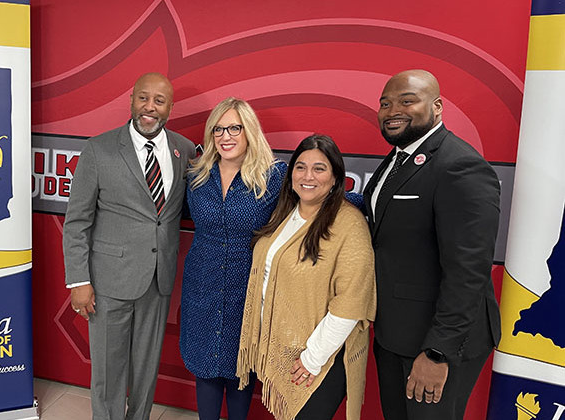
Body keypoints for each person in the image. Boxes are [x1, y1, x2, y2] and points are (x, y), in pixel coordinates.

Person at [363, 69, 501, 420]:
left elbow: (468, 270)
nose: (393, 109)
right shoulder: (398, 159)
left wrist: (438, 352)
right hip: (395, 332)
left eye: (407, 101)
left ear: (437, 107)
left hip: (437, 342)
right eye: (385, 103)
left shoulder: (460, 165)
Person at [62, 72, 196, 420]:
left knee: (145, 368)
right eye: (143, 98)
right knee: (108, 371)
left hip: (158, 280)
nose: (150, 107)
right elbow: (77, 222)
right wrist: (79, 281)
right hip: (108, 282)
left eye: (159, 101)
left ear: (170, 107)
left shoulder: (183, 149)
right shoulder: (99, 149)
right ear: (132, 100)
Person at [236, 135, 376, 420]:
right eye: (300, 167)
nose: (307, 176)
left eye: (319, 168)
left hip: (319, 359)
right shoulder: (285, 213)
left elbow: (350, 303)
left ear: (337, 178)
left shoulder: (349, 224)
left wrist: (312, 359)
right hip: (283, 349)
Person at [180, 97, 286, 420]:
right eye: (218, 130)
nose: (225, 136)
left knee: (241, 369)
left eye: (234, 128)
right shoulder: (197, 175)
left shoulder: (274, 176)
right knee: (205, 367)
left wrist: (364, 203)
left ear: (249, 130)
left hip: (248, 288)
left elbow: (315, 196)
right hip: (202, 285)